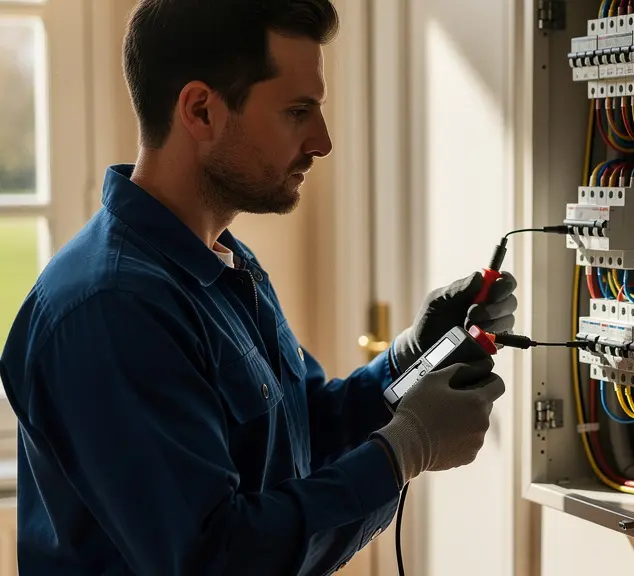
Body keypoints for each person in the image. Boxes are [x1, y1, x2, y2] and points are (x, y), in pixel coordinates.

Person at [0, 1, 516, 574]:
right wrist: (404, 450)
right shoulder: (113, 309)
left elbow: (301, 430)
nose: (322, 141)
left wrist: (411, 358)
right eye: (298, 112)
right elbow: (215, 560)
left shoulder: (221, 260)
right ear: (201, 111)